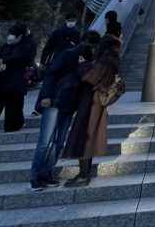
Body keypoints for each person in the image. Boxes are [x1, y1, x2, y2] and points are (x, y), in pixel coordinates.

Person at [28, 30, 101, 191]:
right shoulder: (68, 54)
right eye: (86, 42)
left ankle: (47, 173)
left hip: (70, 105)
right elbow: (51, 74)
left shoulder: (90, 62)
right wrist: (46, 96)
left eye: (91, 44)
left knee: (59, 142)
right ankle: (35, 176)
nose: (88, 46)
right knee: (44, 142)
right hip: (55, 101)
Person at [61, 23, 122, 187]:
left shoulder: (105, 61)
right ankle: (84, 172)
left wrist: (82, 65)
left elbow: (89, 78)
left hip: (91, 103)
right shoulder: (113, 60)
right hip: (98, 103)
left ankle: (83, 175)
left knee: (84, 137)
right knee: (87, 138)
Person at [0, 23, 37, 135]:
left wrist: (5, 61)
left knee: (14, 105)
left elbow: (23, 57)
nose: (10, 37)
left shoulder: (29, 45)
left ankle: (12, 127)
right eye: (11, 34)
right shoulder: (6, 45)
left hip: (16, 80)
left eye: (14, 35)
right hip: (1, 79)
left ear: (20, 36)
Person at [33, 13, 81, 115]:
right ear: (66, 21)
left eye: (73, 20)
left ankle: (59, 105)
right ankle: (39, 108)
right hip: (56, 61)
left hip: (70, 64)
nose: (71, 22)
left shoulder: (77, 34)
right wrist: (43, 62)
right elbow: (48, 48)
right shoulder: (57, 33)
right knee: (48, 84)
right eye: (69, 20)